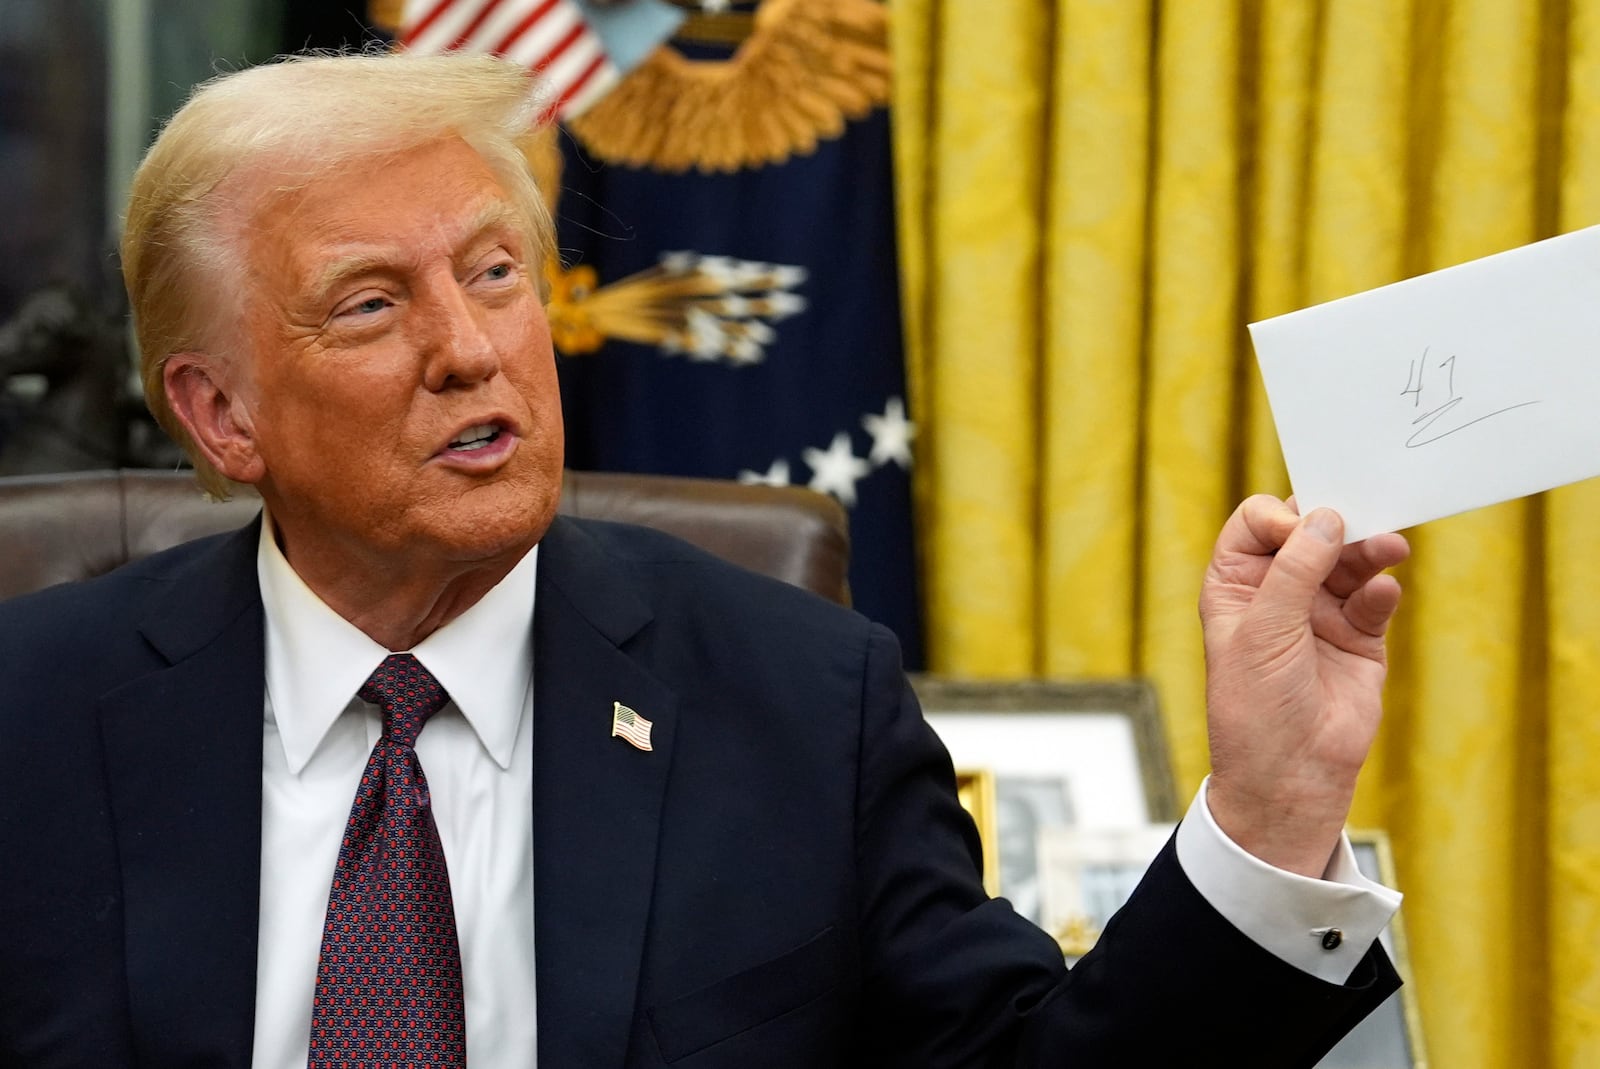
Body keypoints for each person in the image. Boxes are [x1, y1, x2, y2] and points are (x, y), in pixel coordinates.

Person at [0, 51, 1412, 1067]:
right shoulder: (36, 716)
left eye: (496, 271)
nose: (473, 348)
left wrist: (1272, 810)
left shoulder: (798, 699)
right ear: (220, 413)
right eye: (371, 304)